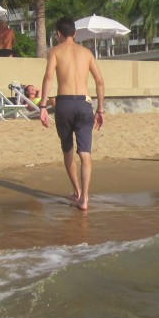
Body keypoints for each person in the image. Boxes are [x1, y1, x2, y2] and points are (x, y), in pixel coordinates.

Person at [39, 17, 106, 211]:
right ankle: (84, 198)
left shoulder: (55, 52)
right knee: (85, 153)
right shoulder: (87, 53)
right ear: (75, 34)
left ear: (58, 34)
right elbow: (100, 82)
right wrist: (100, 109)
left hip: (65, 104)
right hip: (85, 104)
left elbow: (48, 78)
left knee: (68, 149)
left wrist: (43, 106)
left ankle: (76, 191)